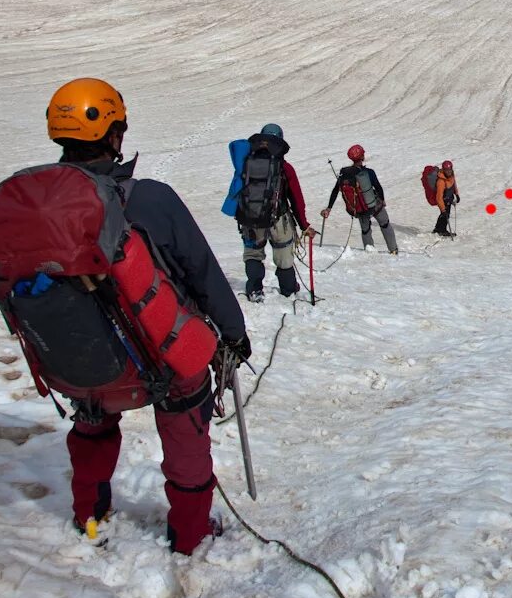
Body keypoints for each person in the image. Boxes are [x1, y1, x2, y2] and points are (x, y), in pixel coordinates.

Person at [43, 77, 251, 554]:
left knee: (92, 417)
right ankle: (190, 533)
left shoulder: (40, 207)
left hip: (82, 359)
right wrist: (233, 334)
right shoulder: (150, 198)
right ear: (114, 133)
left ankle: (90, 514)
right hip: (159, 356)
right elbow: (201, 270)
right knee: (184, 418)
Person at [234, 123, 316, 301]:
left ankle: (255, 290)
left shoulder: (246, 163)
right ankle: (288, 290)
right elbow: (296, 199)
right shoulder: (285, 167)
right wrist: (304, 225)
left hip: (251, 218)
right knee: (283, 255)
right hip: (279, 219)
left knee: (253, 254)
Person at [321, 144, 399, 254]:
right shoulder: (369, 172)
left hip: (359, 209)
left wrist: (329, 208)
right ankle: (393, 250)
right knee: (385, 224)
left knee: (365, 230)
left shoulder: (344, 174)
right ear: (362, 157)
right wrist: (382, 200)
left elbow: (335, 190)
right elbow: (378, 187)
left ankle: (370, 252)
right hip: (374, 205)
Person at [433, 159, 459, 237]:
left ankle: (437, 229)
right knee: (445, 214)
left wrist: (456, 194)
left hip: (449, 198)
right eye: (446, 170)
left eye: (449, 169)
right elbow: (439, 197)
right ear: (443, 170)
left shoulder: (451, 176)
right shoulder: (441, 181)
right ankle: (442, 230)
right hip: (443, 200)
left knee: (445, 214)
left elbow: (454, 184)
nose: (448, 171)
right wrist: (442, 208)